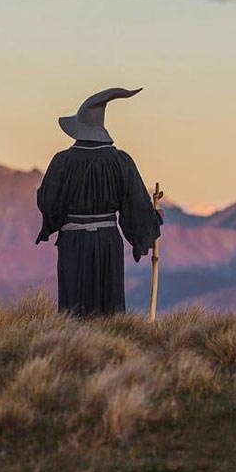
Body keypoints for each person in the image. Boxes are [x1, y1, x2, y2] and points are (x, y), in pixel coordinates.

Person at [35, 87, 163, 316]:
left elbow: (48, 203)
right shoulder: (120, 161)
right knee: (109, 309)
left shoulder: (62, 161)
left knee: (73, 312)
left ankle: (73, 340)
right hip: (107, 242)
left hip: (73, 242)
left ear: (78, 128)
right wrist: (154, 219)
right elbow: (136, 206)